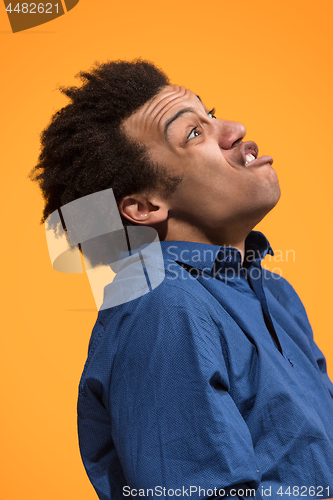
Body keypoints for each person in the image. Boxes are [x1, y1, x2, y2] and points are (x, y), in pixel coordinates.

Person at [30, 60, 333, 500]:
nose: (235, 129)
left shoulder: (276, 295)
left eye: (210, 114)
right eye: (194, 133)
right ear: (144, 207)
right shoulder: (162, 307)